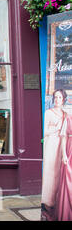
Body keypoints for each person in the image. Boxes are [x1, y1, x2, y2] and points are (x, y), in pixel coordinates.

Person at [41, 89, 68, 220]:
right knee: (49, 173)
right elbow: (44, 131)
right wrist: (55, 128)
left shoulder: (66, 114)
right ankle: (46, 201)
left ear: (64, 99)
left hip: (62, 146)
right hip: (51, 144)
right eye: (55, 97)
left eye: (59, 97)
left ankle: (55, 201)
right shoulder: (48, 113)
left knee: (58, 174)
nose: (57, 99)